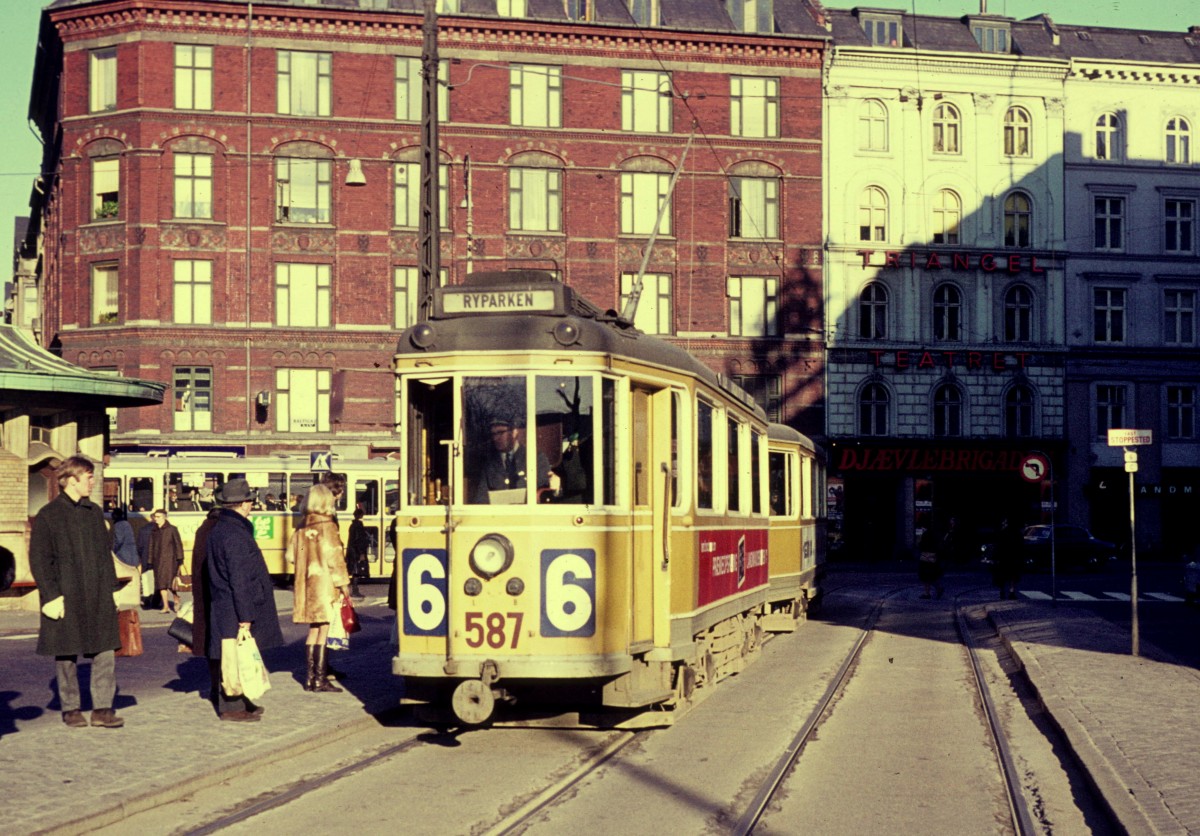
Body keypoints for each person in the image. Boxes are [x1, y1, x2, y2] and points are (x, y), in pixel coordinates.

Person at [29, 456, 125, 729]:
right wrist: (51, 596)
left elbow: (104, 556)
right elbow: (40, 560)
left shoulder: (94, 512)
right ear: (72, 480)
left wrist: (112, 589)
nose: (93, 481)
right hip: (66, 594)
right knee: (66, 652)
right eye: (89, 477)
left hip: (97, 593)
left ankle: (102, 709)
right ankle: (71, 708)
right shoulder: (49, 515)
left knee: (105, 650)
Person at [205, 479, 284, 722]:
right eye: (250, 500)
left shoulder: (224, 528)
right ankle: (232, 708)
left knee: (235, 656)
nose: (252, 505)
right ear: (242, 504)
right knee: (233, 657)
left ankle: (242, 701)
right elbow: (239, 578)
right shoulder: (234, 534)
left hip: (226, 604)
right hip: (232, 606)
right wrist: (246, 616)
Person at [291, 484, 351, 693]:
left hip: (306, 585)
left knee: (313, 630)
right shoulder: (328, 526)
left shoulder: (301, 526)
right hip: (324, 585)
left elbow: (290, 556)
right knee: (323, 630)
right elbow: (335, 558)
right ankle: (320, 679)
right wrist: (343, 584)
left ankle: (309, 679)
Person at [471, 418, 553, 504]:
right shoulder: (489, 463)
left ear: (514, 432)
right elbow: (481, 499)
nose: (495, 438)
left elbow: (543, 492)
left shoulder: (535, 458)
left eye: (500, 433)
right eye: (493, 434)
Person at [190, 507, 221, 711]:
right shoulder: (222, 530)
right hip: (219, 597)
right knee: (225, 646)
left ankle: (214, 688)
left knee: (212, 645)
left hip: (203, 597)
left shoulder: (203, 530)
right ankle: (224, 692)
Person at [147, 509, 184, 613]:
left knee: (170, 584)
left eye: (158, 517)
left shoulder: (172, 529)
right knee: (161, 584)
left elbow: (178, 545)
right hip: (157, 561)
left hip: (170, 561)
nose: (156, 519)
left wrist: (180, 559)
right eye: (155, 516)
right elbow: (151, 546)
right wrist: (150, 560)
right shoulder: (154, 531)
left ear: (165, 517)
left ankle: (176, 598)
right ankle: (166, 606)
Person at [110, 507, 142, 611]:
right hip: (132, 553)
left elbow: (118, 540)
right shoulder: (127, 524)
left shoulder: (118, 525)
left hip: (123, 555)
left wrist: (112, 551)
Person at [992, 516, 1024, 600]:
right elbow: (1021, 546)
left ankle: (1003, 592)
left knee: (1004, 576)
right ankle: (1011, 592)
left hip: (1005, 558)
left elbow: (998, 546)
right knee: (1012, 576)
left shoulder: (1003, 533)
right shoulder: (1016, 533)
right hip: (1012, 558)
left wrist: (996, 557)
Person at [917, 523, 945, 599]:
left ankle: (927, 593)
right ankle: (937, 588)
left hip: (926, 557)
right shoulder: (937, 534)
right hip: (934, 557)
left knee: (925, 576)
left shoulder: (925, 534)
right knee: (932, 576)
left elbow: (921, 545)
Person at [346, 507, 369, 599]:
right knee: (357, 572)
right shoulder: (359, 525)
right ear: (360, 515)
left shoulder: (352, 525)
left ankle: (354, 590)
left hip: (352, 551)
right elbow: (359, 540)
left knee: (354, 571)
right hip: (357, 552)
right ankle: (355, 590)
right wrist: (362, 553)